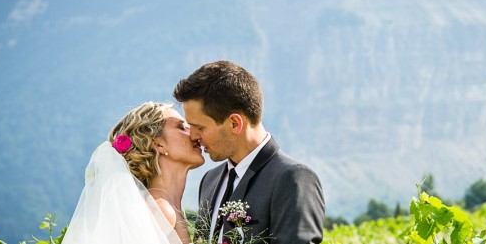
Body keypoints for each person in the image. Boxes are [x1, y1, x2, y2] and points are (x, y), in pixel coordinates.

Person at [173, 60, 325, 244]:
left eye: (199, 127)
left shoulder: (293, 178)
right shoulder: (209, 181)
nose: (193, 136)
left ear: (235, 123)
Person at [63, 102, 205, 244]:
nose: (193, 134)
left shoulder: (166, 208)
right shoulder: (159, 211)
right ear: (158, 144)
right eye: (182, 127)